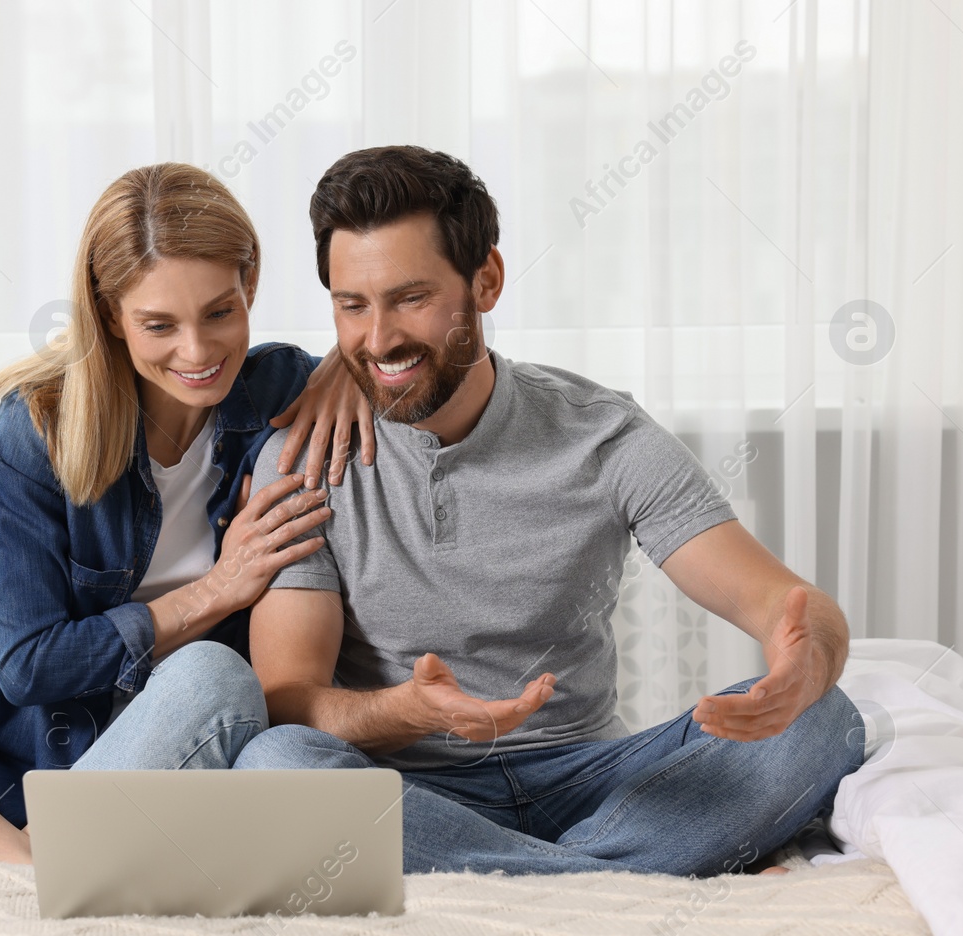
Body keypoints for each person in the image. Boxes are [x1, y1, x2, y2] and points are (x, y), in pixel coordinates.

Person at [235, 145, 865, 878]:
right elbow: (289, 699)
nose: (377, 340)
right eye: (352, 305)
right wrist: (409, 710)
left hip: (594, 779)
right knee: (274, 762)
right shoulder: (304, 458)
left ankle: (523, 874)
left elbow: (785, 604)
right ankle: (598, 877)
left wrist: (804, 660)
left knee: (826, 716)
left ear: (487, 280)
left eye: (410, 298)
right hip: (411, 790)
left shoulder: (602, 434)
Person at [0, 163, 377, 864]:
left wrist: (345, 371)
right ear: (111, 313)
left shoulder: (282, 391)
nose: (198, 352)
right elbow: (26, 666)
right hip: (18, 776)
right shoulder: (36, 430)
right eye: (158, 324)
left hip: (179, 772)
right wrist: (212, 592)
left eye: (220, 313)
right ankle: (17, 864)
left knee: (214, 675)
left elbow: (402, 349)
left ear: (249, 283)